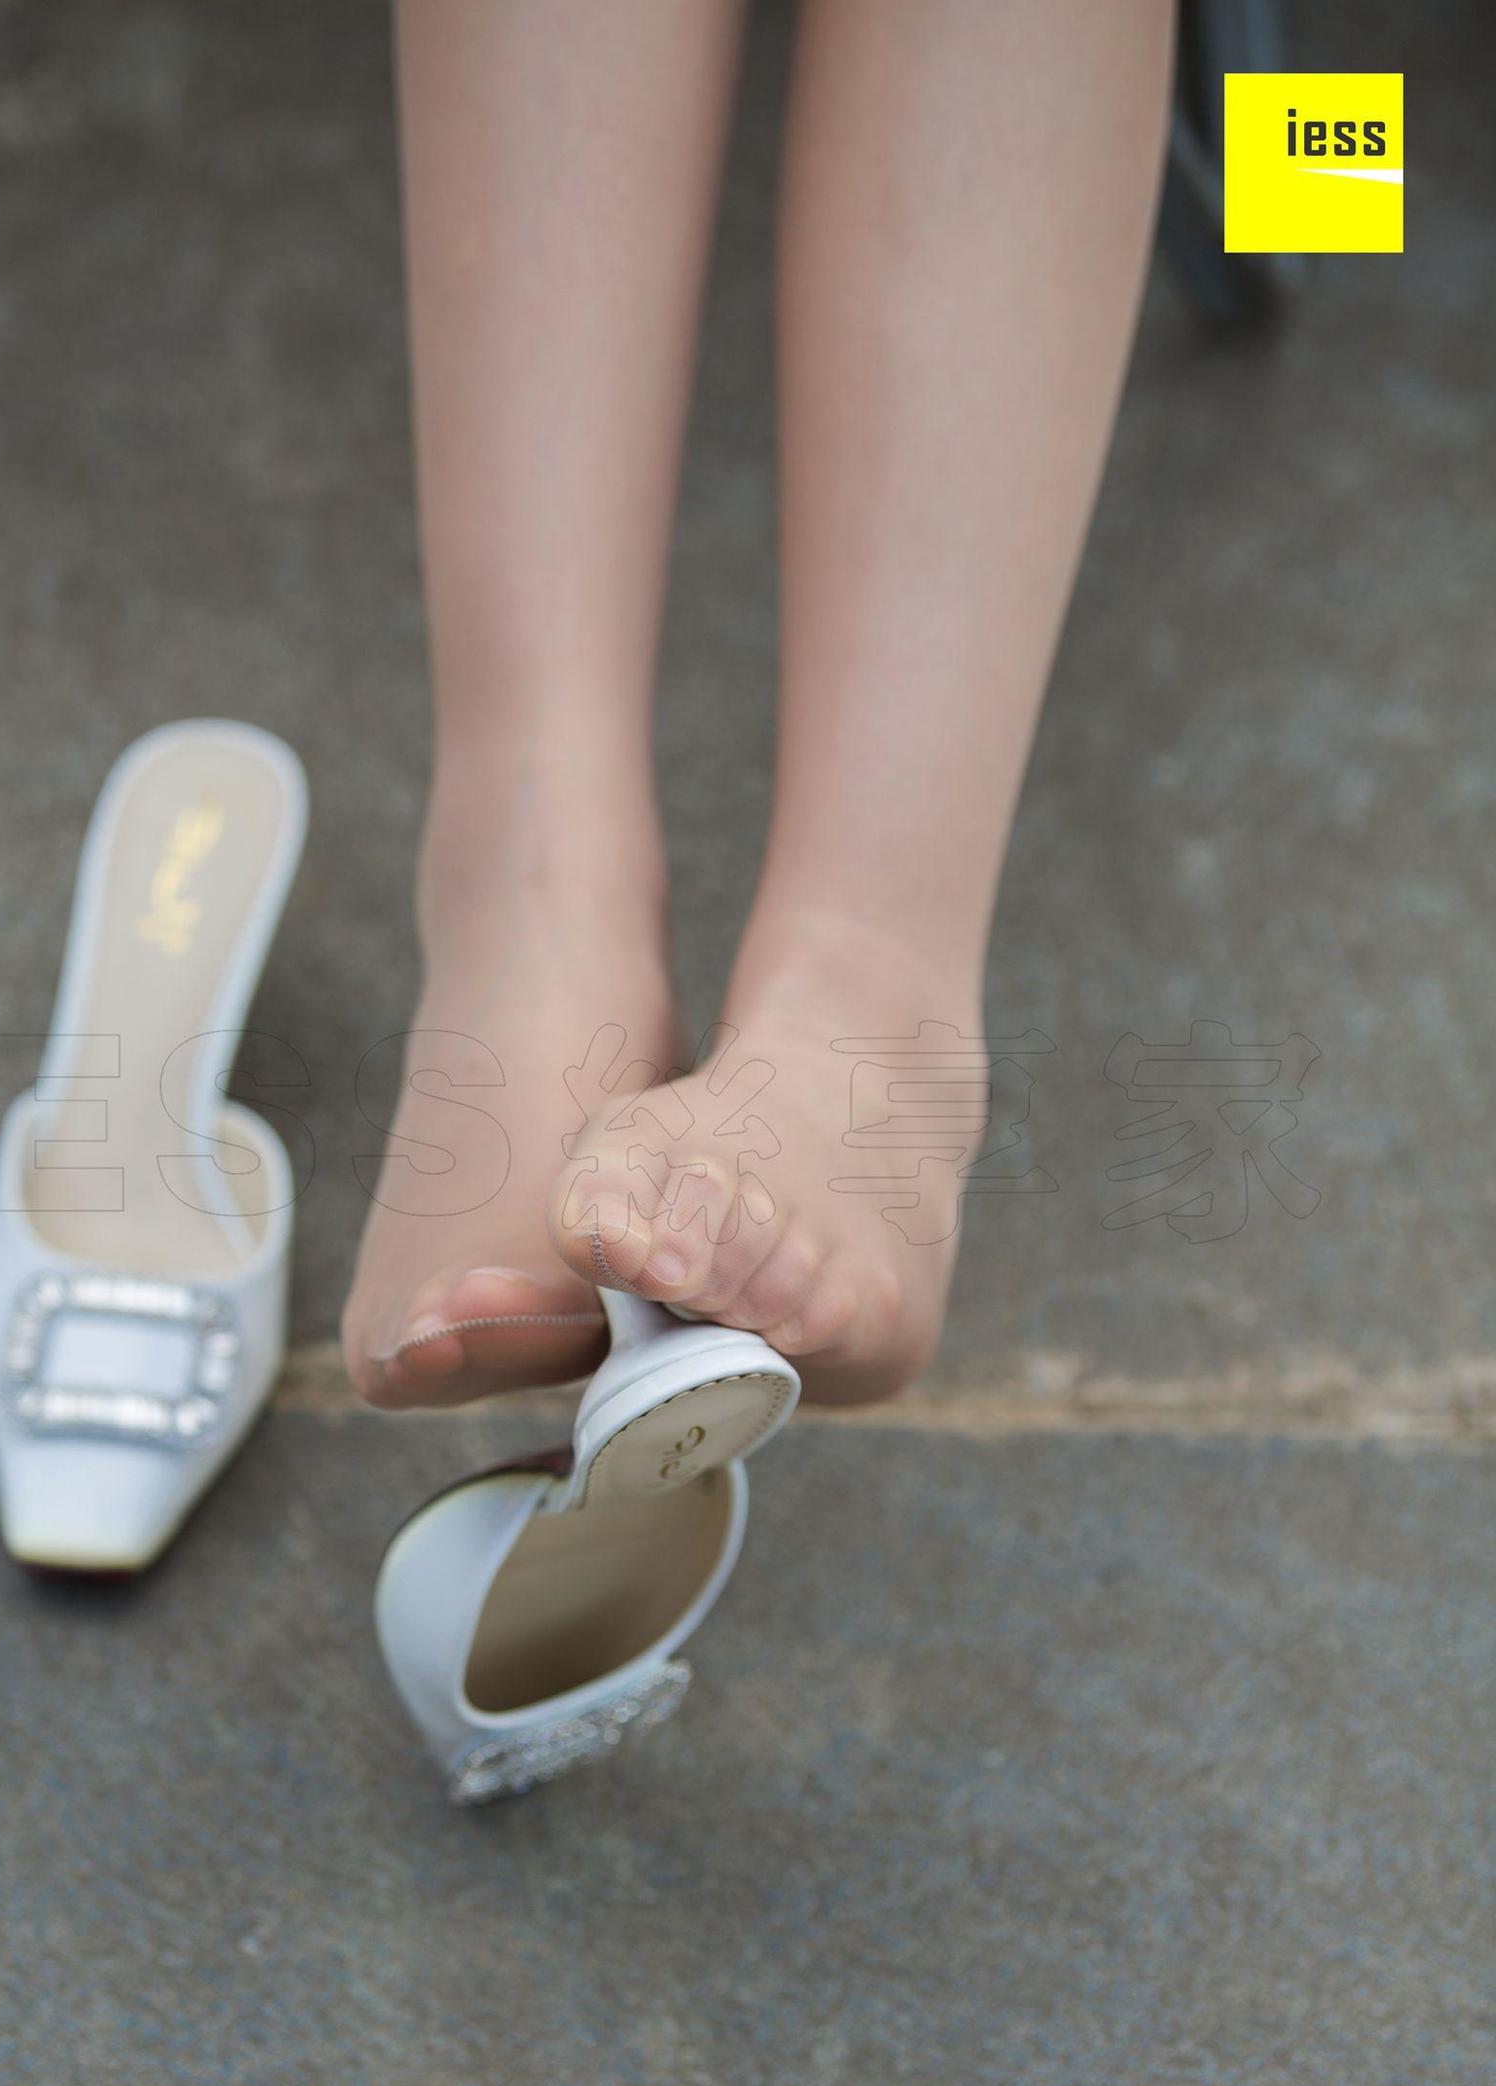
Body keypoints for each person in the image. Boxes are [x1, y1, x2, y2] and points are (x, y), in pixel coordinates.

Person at [342, 0, 1173, 1412]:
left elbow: (1345, 154)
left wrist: (1331, 170)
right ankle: (532, 886)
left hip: (1333, 151)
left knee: (1318, 138)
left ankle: (875, 986)